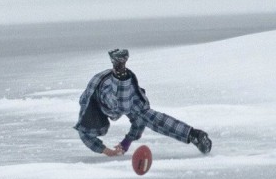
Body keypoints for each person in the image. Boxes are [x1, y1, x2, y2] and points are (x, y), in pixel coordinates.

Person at [75, 49, 212, 157]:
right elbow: (139, 121)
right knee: (146, 116)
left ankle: (196, 136)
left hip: (105, 90)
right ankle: (194, 135)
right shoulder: (91, 105)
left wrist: (107, 151)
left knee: (123, 107)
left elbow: (84, 134)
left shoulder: (89, 108)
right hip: (123, 86)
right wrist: (126, 142)